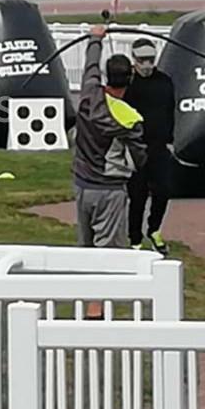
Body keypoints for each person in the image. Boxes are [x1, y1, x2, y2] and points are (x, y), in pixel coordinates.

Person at [73, 26, 147, 313]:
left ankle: (88, 304)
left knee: (86, 247)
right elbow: (139, 158)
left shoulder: (89, 94)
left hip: (81, 187)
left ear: (106, 76)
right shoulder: (129, 117)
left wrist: (96, 38)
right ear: (129, 79)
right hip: (109, 190)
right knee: (108, 253)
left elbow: (90, 66)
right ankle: (96, 310)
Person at [124, 38, 176, 253]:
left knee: (163, 190)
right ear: (134, 59)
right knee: (137, 194)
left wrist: (170, 140)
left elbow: (170, 111)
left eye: (151, 60)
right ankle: (135, 239)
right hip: (136, 147)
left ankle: (154, 229)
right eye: (142, 60)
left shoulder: (164, 81)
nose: (147, 65)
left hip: (160, 145)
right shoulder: (129, 83)